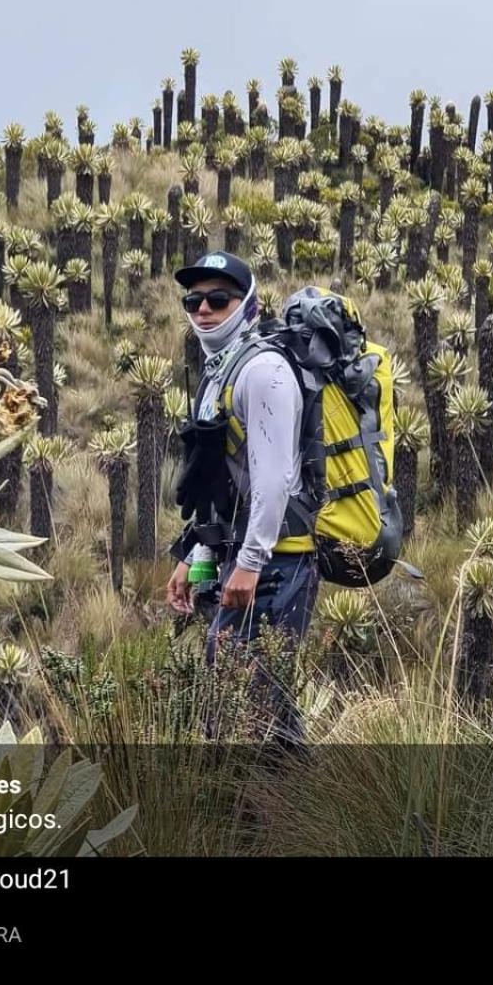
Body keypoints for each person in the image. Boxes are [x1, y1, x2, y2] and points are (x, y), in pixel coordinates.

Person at [165, 252, 320, 740]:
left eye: (218, 298)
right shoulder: (219, 373)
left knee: (256, 700)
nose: (203, 310)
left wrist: (251, 562)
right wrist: (198, 554)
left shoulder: (264, 371)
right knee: (243, 693)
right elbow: (220, 482)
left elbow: (273, 480)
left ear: (247, 304)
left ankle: (281, 813)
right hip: (242, 556)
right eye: (193, 300)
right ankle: (280, 809)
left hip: (279, 561)